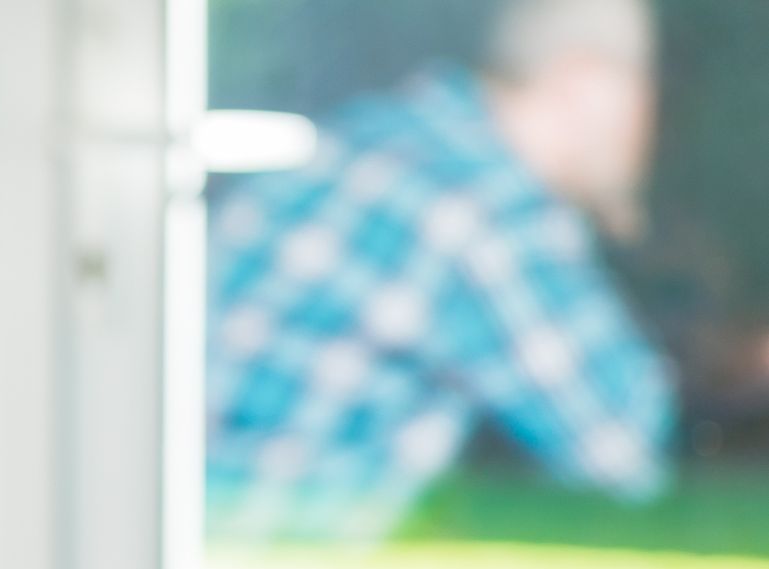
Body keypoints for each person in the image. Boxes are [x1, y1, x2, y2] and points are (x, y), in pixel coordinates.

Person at [206, 0, 675, 541]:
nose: (650, 129)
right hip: (262, 552)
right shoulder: (485, 203)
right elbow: (623, 449)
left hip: (183, 552)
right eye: (645, 91)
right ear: (583, 81)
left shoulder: (387, 137)